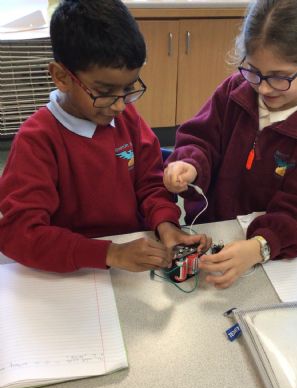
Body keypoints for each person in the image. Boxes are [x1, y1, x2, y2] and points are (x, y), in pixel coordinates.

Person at [0, 0, 209, 273]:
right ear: (61, 77)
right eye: (105, 91)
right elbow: (20, 234)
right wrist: (110, 253)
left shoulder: (126, 119)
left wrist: (167, 226)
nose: (120, 105)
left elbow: (150, 183)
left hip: (130, 257)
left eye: (128, 89)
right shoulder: (37, 140)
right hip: (73, 269)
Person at [163, 0, 297, 289]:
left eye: (280, 78)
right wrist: (190, 163)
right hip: (213, 227)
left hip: (267, 252)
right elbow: (201, 138)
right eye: (253, 70)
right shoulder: (233, 91)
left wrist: (260, 246)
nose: (263, 87)